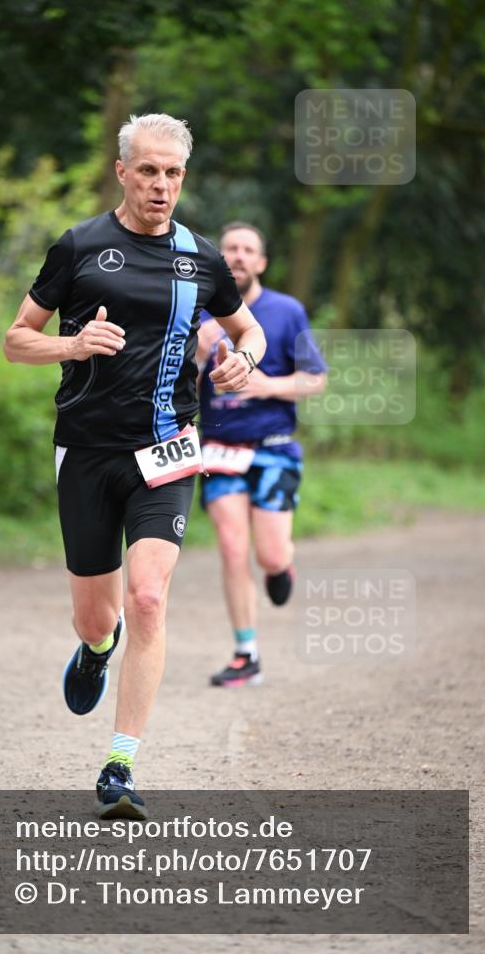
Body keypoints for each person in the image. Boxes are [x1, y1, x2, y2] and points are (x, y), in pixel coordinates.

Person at [4, 116, 266, 817]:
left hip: (169, 451)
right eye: (148, 171)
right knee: (97, 616)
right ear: (122, 171)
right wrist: (73, 345)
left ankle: (119, 765)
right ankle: (97, 647)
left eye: (173, 173)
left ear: (183, 176)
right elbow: (14, 339)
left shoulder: (199, 259)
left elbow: (248, 327)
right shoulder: (80, 246)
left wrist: (247, 357)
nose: (160, 185)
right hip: (86, 450)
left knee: (149, 596)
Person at [196, 222, 327, 688]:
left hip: (274, 450)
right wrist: (197, 355)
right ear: (220, 258)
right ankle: (245, 654)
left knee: (269, 556)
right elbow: (172, 384)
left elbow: (316, 378)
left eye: (248, 249)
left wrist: (269, 385)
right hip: (219, 450)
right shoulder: (199, 313)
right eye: (230, 248)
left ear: (262, 262)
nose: (238, 256)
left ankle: (281, 565)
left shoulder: (287, 311)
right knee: (233, 548)